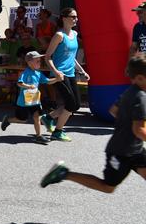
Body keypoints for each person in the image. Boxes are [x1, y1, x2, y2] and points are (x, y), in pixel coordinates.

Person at [41, 55, 146, 192]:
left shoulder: (130, 92)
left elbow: (113, 110)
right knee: (108, 187)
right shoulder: (141, 98)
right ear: (139, 78)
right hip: (121, 152)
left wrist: (126, 121)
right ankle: (64, 173)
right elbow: (138, 130)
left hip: (135, 149)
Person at [42, 8, 90, 142]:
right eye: (72, 17)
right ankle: (57, 131)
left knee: (76, 105)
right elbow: (47, 57)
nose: (76, 19)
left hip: (71, 73)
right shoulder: (59, 35)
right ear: (64, 18)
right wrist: (56, 72)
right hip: (59, 75)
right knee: (70, 104)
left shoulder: (74, 34)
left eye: (76, 17)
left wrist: (82, 71)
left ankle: (49, 117)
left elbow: (72, 58)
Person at [0, 51, 62, 143]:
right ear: (29, 63)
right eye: (37, 61)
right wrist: (28, 86)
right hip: (23, 102)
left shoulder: (38, 73)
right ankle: (8, 120)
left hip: (35, 100)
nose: (39, 63)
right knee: (22, 119)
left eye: (40, 61)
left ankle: (38, 136)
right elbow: (19, 83)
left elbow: (47, 81)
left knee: (37, 117)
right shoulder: (25, 73)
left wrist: (57, 79)